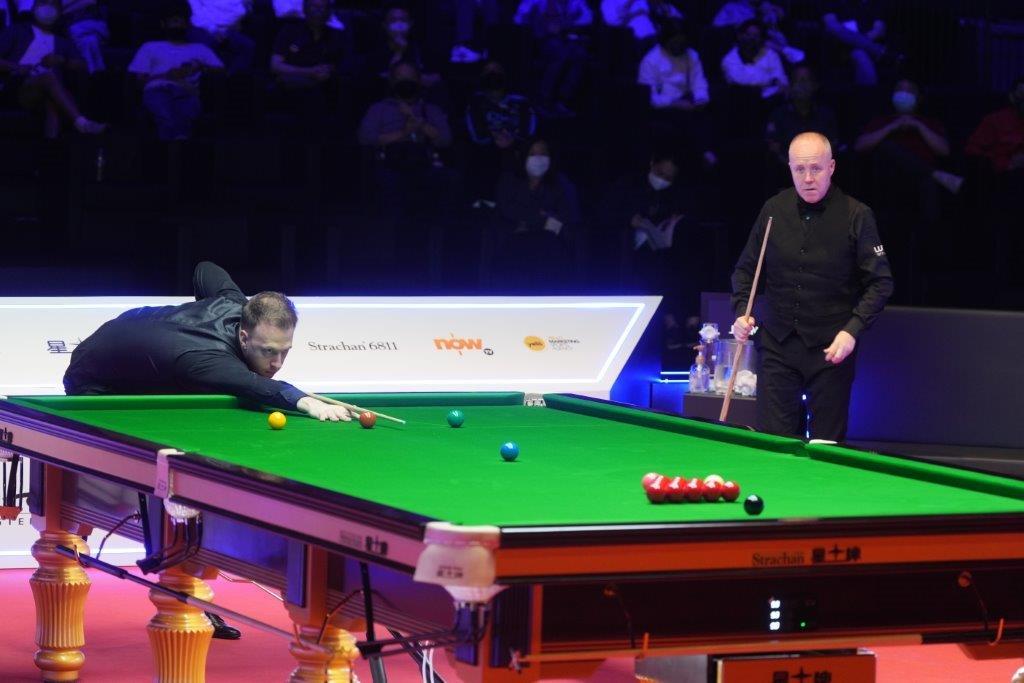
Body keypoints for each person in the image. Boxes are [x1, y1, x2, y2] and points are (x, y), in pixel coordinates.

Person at [64, 261, 354, 640]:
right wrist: (303, 401)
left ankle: (191, 580)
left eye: (285, 352)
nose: (277, 363)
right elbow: (253, 386)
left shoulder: (234, 303)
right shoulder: (205, 360)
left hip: (141, 348)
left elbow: (206, 269)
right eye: (268, 352)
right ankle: (182, 585)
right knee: (170, 468)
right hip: (96, 382)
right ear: (244, 336)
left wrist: (205, 307)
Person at [730, 132, 893, 441]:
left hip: (831, 349)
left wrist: (852, 331)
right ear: (790, 168)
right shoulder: (773, 209)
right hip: (777, 345)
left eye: (816, 168)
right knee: (773, 444)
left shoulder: (857, 214)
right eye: (799, 169)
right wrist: (741, 312)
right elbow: (745, 271)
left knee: (825, 447)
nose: (807, 178)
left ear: (831, 167)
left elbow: (880, 283)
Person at [0, 0, 106, 137]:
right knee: (49, 79)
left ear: (60, 11)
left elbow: (82, 65)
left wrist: (62, 61)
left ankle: (52, 146)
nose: (48, 7)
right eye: (44, 2)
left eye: (53, 4)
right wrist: (16, 67)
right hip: (16, 84)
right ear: (34, 8)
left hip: (44, 88)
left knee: (52, 100)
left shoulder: (62, 41)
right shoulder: (16, 31)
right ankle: (82, 123)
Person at [128, 0, 224, 140]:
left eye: (180, 21)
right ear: (163, 24)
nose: (177, 24)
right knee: (169, 116)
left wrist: (197, 67)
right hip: (157, 90)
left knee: (182, 113)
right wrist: (167, 76)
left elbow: (221, 72)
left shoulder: (200, 49)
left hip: (187, 90)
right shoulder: (149, 47)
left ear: (187, 24)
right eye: (173, 21)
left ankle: (174, 144)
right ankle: (177, 143)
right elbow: (139, 82)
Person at [721, 19, 788, 100]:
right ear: (740, 36)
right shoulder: (730, 58)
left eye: (756, 35)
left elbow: (781, 78)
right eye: (748, 34)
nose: (752, 38)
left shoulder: (770, 55)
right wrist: (772, 80)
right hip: (741, 99)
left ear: (761, 38)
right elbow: (740, 79)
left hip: (771, 99)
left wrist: (776, 82)